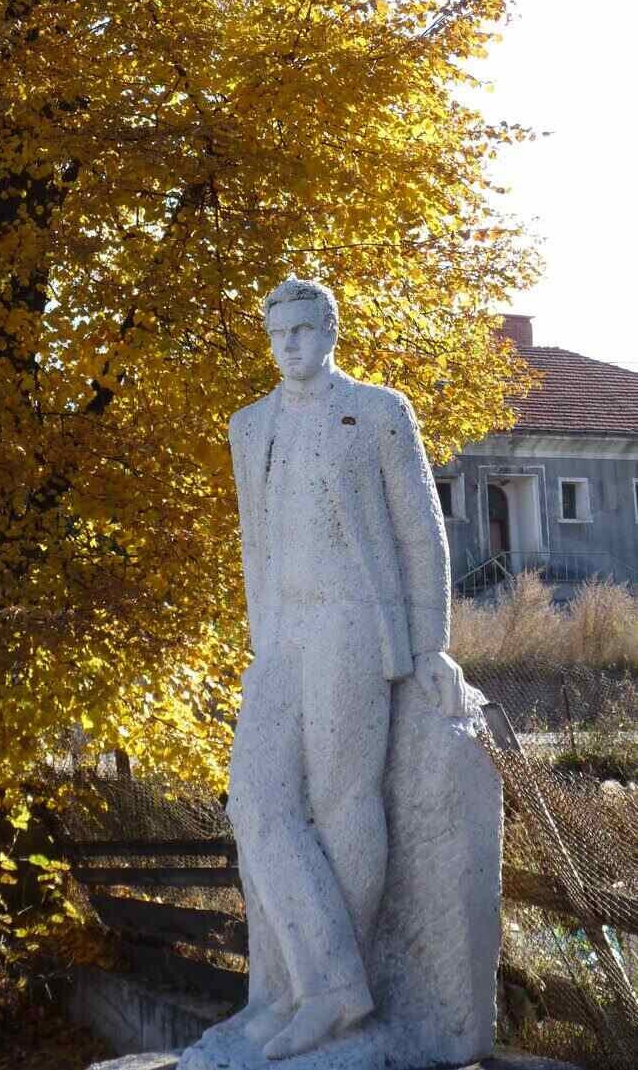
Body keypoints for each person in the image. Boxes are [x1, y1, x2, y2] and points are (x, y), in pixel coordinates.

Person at [223, 275, 465, 1061]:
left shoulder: (379, 411)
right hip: (282, 634)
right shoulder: (249, 425)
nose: (289, 345)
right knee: (255, 799)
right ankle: (318, 984)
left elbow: (421, 530)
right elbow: (254, 541)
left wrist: (430, 644)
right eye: (277, 332)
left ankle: (324, 999)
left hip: (353, 622)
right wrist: (260, 641)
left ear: (330, 331)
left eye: (302, 329)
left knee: (342, 799)